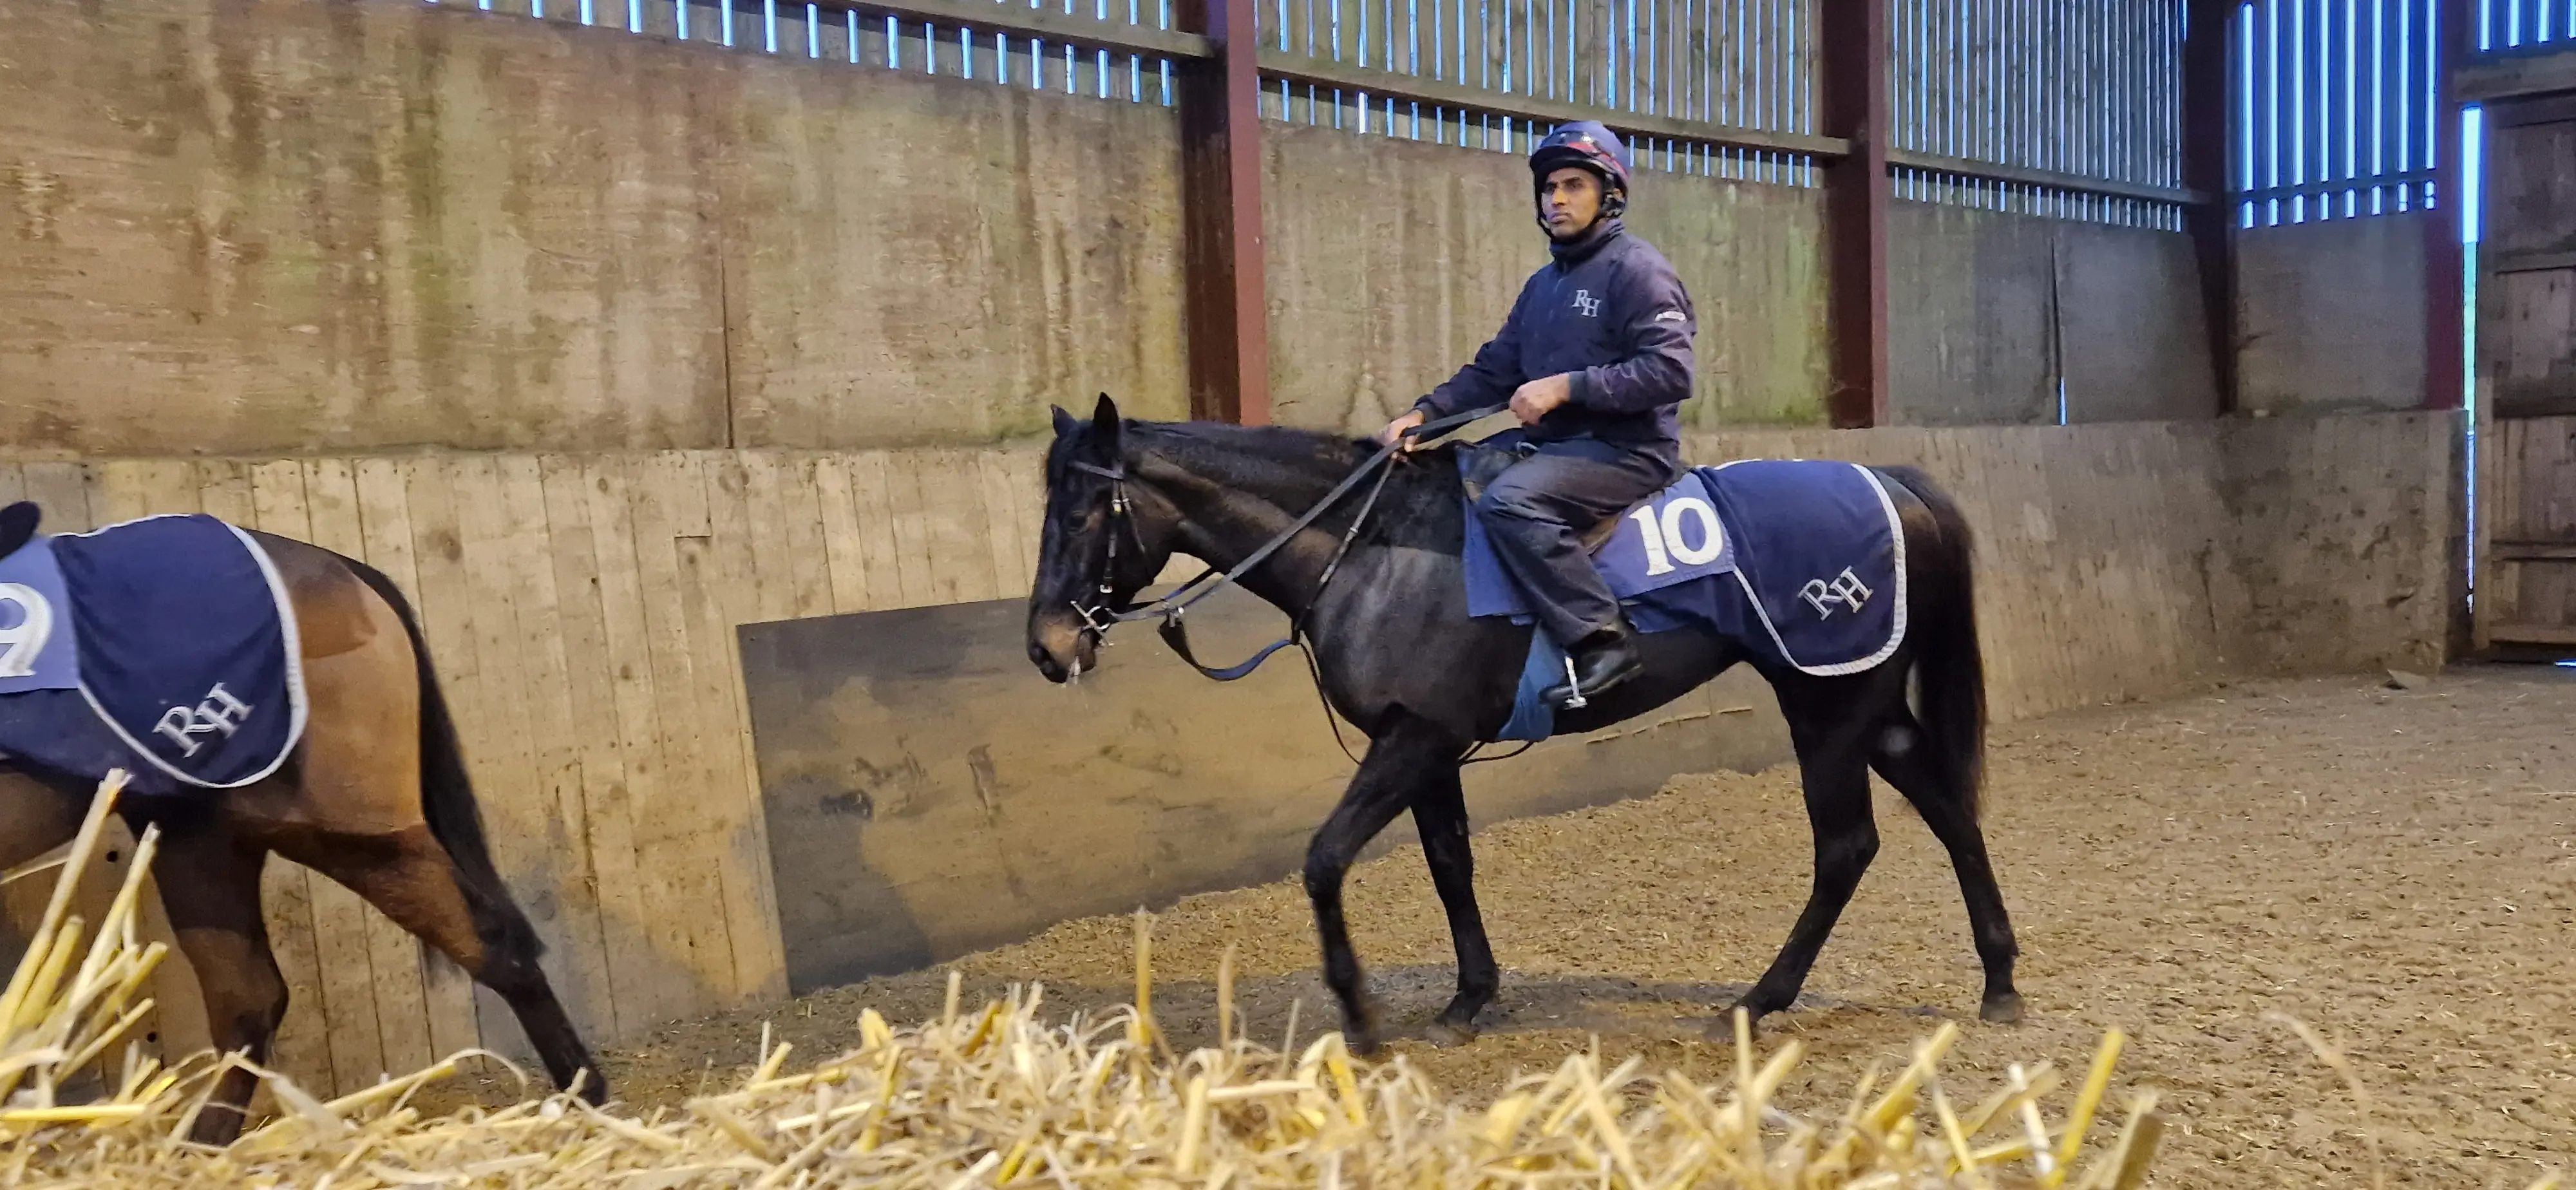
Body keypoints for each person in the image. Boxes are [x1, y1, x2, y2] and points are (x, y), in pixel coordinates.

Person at [1378, 121, 1696, 708]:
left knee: (1511, 500)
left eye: (1574, 185)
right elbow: (1496, 370)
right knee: (1449, 472)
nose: (1556, 200)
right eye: (1549, 189)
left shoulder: (1639, 270)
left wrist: (1567, 387)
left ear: (1610, 195)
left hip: (1626, 452)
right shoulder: (1544, 285)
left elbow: (1672, 373)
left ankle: (1603, 639)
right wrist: (1426, 414)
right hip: (1557, 447)